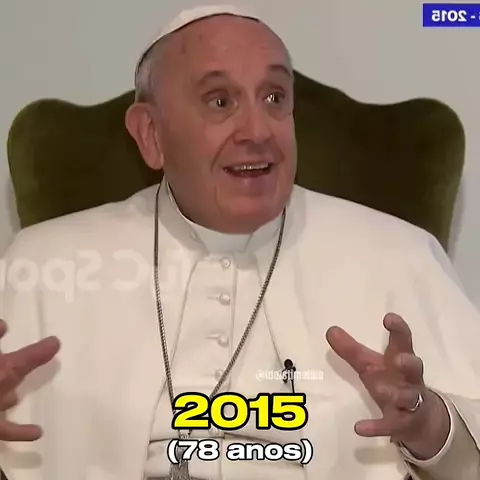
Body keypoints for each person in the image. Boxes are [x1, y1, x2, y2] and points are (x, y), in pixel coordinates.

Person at [0, 4, 480, 480]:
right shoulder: (46, 262)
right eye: (219, 102)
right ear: (150, 134)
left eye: (274, 97)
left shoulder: (396, 254)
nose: (258, 131)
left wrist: (429, 425)